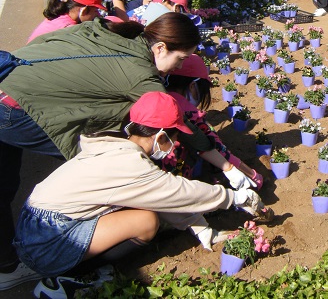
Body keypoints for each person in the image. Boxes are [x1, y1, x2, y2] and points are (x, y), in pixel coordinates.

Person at [0, 12, 203, 290]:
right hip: (16, 109)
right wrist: (229, 168)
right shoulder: (141, 75)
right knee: (111, 167)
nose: (176, 68)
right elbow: (172, 116)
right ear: (160, 48)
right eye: (180, 59)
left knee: (3, 186)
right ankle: (67, 258)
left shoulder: (118, 34)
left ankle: (9, 266)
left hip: (8, 82)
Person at [13, 91, 265, 297]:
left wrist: (200, 229)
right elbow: (176, 192)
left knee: (145, 208)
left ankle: (66, 266)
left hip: (34, 224)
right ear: (161, 135)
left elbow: (161, 195)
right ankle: (66, 278)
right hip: (47, 238)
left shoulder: (115, 147)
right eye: (174, 137)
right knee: (145, 222)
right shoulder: (132, 167)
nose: (175, 145)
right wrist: (234, 197)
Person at [164, 55, 264, 188]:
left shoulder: (159, 97)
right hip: (175, 178)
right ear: (193, 86)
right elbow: (216, 149)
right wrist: (253, 175)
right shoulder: (189, 115)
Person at [27, 0, 106, 43]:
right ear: (84, 10)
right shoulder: (69, 29)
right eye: (95, 11)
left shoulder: (58, 16)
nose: (98, 14)